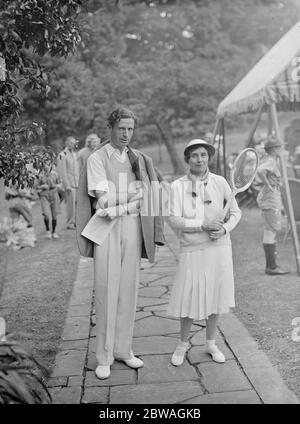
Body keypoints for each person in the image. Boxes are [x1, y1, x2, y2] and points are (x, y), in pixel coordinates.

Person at [76, 107, 164, 380]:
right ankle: (104, 356)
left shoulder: (138, 158)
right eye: (121, 128)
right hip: (106, 228)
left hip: (132, 226)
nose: (126, 134)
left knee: (128, 288)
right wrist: (133, 197)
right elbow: (102, 200)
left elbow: (150, 194)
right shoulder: (96, 158)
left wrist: (125, 201)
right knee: (106, 290)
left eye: (130, 129)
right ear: (111, 128)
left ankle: (123, 350)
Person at [166, 139, 241, 366]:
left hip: (219, 247)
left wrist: (224, 229)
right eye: (195, 155)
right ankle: (182, 344)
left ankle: (210, 343)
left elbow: (236, 213)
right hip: (192, 249)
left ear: (209, 157)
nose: (200, 159)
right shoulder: (177, 186)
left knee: (216, 296)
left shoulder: (220, 182)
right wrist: (202, 224)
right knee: (189, 296)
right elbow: (174, 219)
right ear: (187, 159)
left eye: (204, 155)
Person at [256, 135, 290, 275]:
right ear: (275, 149)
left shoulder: (270, 160)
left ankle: (271, 266)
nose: (282, 150)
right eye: (280, 147)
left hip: (269, 200)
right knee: (271, 232)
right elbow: (259, 171)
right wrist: (267, 184)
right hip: (270, 201)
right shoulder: (270, 161)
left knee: (269, 232)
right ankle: (272, 267)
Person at [56, 136, 80, 229]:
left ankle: (76, 222)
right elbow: (62, 171)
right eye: (70, 143)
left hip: (77, 183)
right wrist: (67, 185)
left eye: (74, 143)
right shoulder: (62, 155)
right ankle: (70, 223)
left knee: (78, 204)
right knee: (71, 205)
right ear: (66, 143)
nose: (72, 144)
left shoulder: (75, 154)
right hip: (69, 184)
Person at [35, 164, 62, 239]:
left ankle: (54, 232)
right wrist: (42, 186)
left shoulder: (55, 174)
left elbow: (60, 184)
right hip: (44, 196)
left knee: (54, 215)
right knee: (46, 214)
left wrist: (56, 186)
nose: (46, 166)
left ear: (51, 166)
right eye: (45, 165)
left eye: (48, 165)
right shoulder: (40, 175)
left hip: (54, 195)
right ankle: (48, 231)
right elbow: (35, 186)